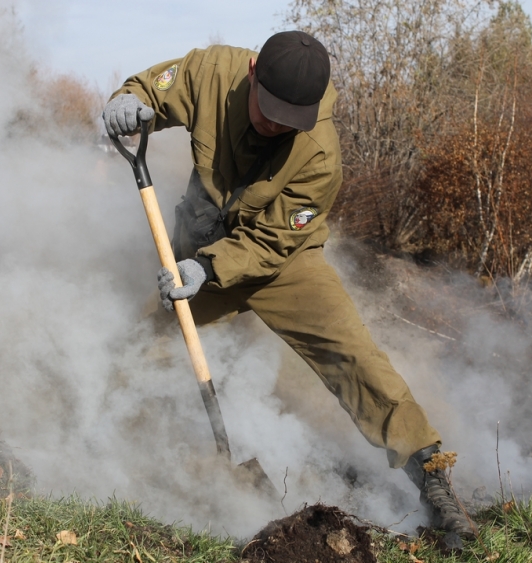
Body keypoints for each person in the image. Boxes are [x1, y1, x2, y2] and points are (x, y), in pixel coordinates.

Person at [103, 30, 473, 539]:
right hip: (202, 246)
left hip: (280, 262)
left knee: (352, 355)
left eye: (289, 118)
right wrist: (129, 102)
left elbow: (272, 241)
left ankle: (432, 478)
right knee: (139, 338)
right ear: (253, 74)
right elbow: (151, 90)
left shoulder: (320, 152)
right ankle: (106, 446)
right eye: (269, 110)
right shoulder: (213, 73)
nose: (277, 124)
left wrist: (206, 270)